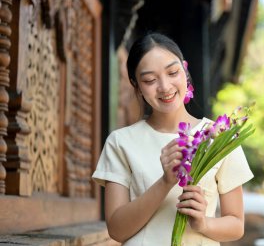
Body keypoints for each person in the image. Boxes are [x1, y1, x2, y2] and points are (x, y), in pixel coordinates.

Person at [92, 32, 254, 245]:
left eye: (173, 72)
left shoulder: (218, 137)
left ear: (185, 71)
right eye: (150, 80)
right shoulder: (121, 142)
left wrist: (203, 223)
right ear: (136, 86)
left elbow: (236, 225)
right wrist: (165, 182)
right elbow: (116, 230)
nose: (165, 87)